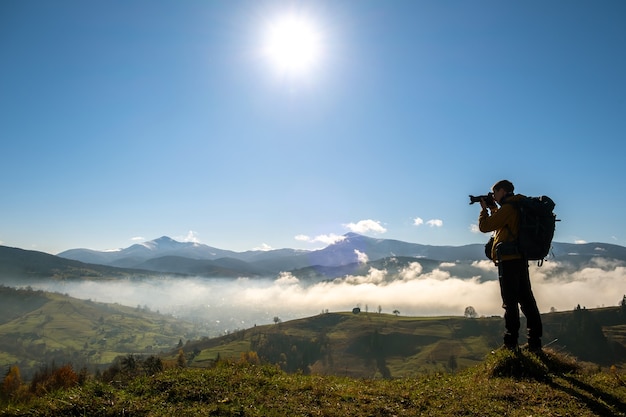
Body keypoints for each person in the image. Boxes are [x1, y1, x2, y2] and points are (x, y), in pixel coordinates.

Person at [478, 179, 542, 352]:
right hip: (520, 259)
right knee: (527, 301)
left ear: (503, 191)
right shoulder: (516, 206)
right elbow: (503, 224)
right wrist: (493, 209)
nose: (493, 196)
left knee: (510, 303)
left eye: (495, 192)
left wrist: (484, 211)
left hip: (509, 261)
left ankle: (510, 344)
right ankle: (534, 342)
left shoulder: (508, 208)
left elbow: (486, 227)